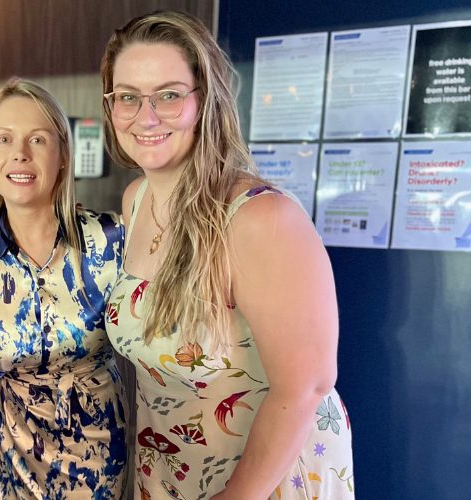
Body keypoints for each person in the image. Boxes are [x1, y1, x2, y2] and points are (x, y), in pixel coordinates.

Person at [100, 12, 355, 500]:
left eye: (169, 95)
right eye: (128, 97)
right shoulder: (137, 201)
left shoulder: (262, 218)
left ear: (206, 100)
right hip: (173, 467)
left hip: (263, 480)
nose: (145, 116)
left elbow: (306, 386)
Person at [0, 78, 128, 500]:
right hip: (7, 452)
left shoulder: (110, 238)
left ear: (61, 155)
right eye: (4, 139)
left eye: (38, 139)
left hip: (97, 454)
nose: (20, 153)